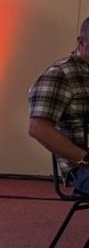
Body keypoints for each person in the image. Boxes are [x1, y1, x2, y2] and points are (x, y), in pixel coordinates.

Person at [29, 16, 89, 195]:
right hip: (81, 167)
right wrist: (85, 159)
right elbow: (38, 128)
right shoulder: (61, 74)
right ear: (81, 42)